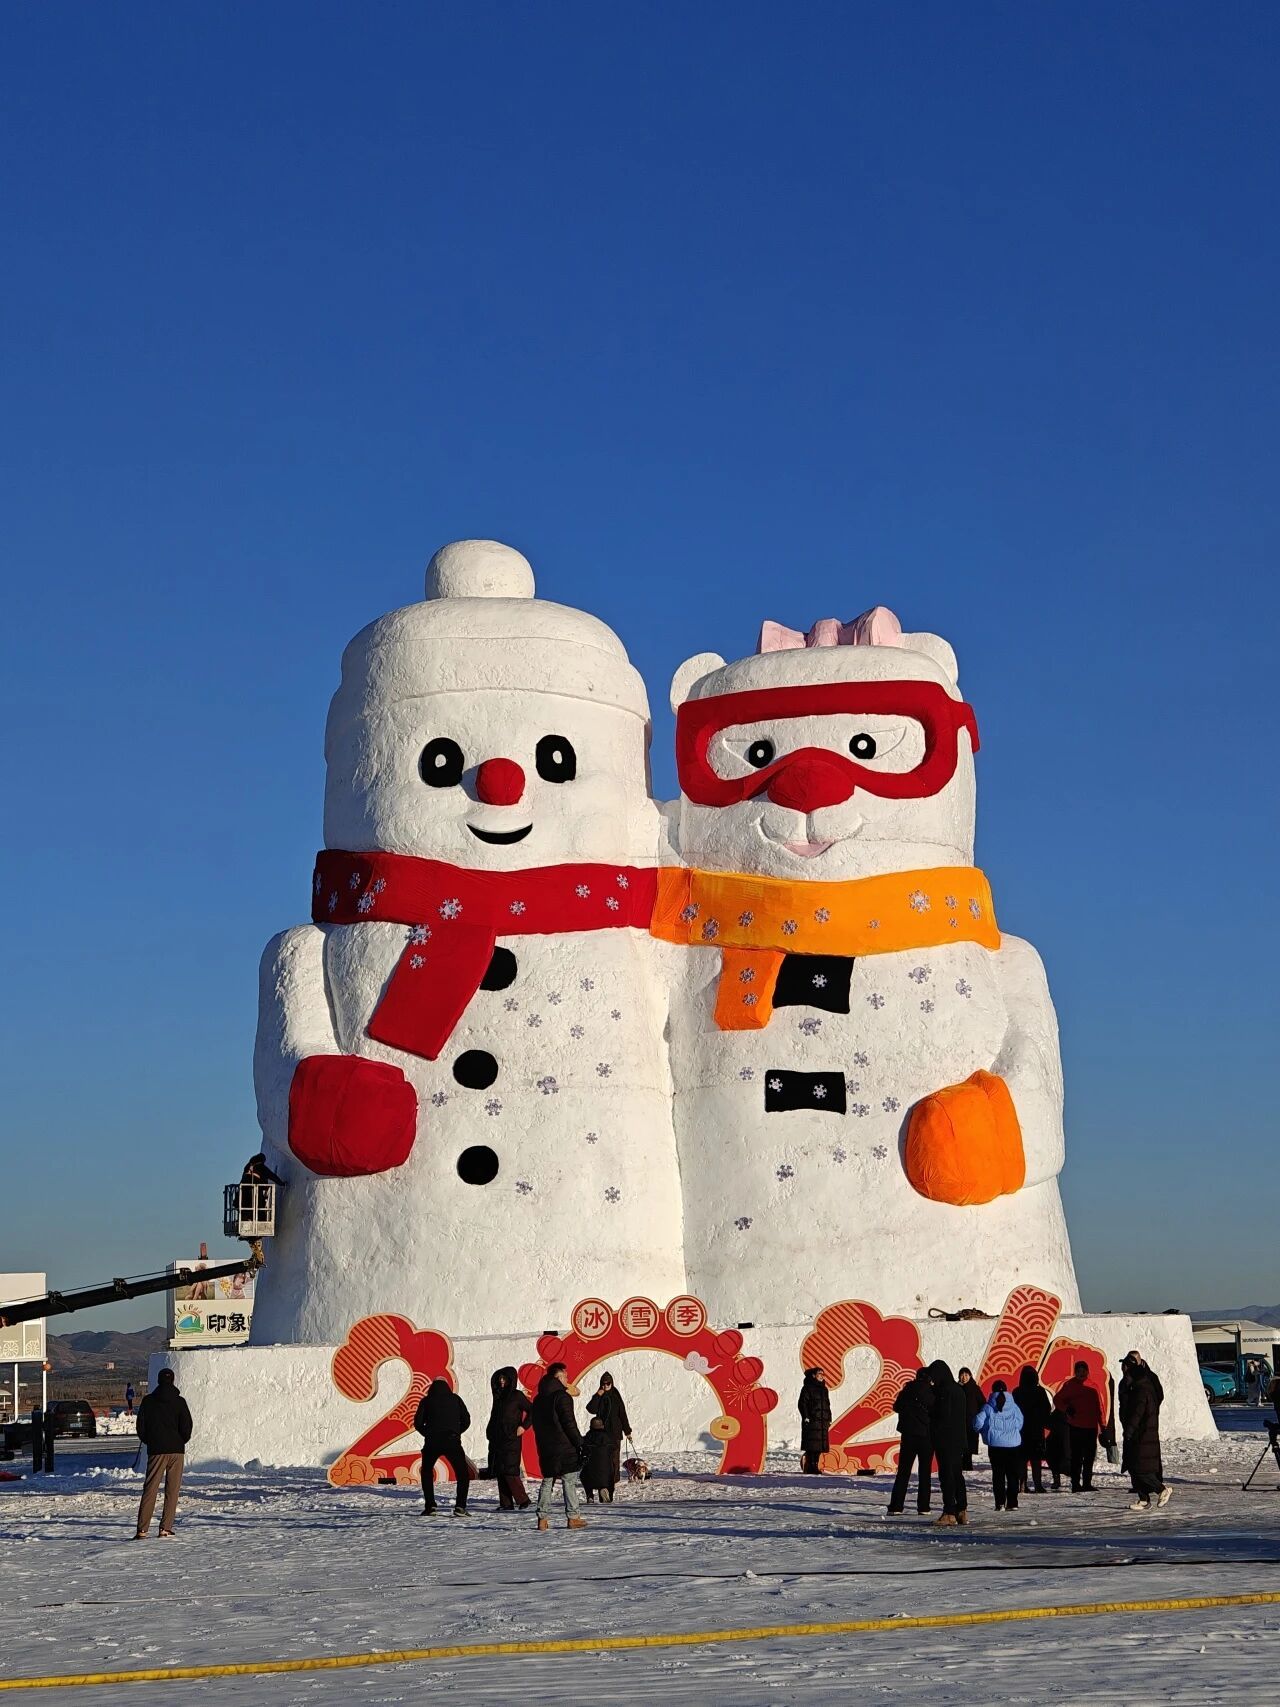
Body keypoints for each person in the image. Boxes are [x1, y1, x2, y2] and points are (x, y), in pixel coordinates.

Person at [133, 1368, 193, 1539]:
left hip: (156, 1450)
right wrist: (180, 1440)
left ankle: (142, 1529)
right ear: (173, 1380)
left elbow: (141, 1426)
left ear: (158, 1381)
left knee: (150, 1488)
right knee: (172, 1490)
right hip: (176, 1450)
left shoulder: (148, 1401)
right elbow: (187, 1426)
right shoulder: (180, 1401)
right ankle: (165, 1528)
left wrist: (150, 1441)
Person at [531, 1363, 587, 1530]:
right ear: (558, 1377)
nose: (567, 1379)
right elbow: (568, 1423)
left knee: (547, 1481)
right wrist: (580, 1442)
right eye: (565, 1376)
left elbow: (536, 1424)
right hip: (564, 1446)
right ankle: (573, 1517)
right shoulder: (562, 1397)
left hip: (545, 1446)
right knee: (568, 1481)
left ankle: (542, 1519)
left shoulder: (538, 1399)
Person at [1119, 1350, 1170, 1511]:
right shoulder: (1132, 1384)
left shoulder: (1143, 1387)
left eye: (1126, 1366)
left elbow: (1138, 1413)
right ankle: (1143, 1499)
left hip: (1142, 1432)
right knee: (1133, 1466)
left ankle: (1161, 1489)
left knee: (1140, 1467)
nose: (1123, 1369)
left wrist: (1130, 1429)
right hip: (1135, 1430)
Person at [413, 1378, 471, 1516]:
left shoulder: (426, 1401)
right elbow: (466, 1420)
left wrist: (428, 1433)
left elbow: (418, 1422)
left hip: (432, 1442)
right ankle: (460, 1506)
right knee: (462, 1473)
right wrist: (456, 1432)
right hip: (452, 1441)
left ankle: (430, 1506)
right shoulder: (455, 1399)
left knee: (427, 1472)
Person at [886, 1368, 934, 1515]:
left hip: (908, 1436)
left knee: (903, 1472)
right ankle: (924, 1507)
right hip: (926, 1436)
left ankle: (896, 1506)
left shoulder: (907, 1390)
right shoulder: (931, 1392)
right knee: (925, 1473)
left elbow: (896, 1407)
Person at [927, 1361, 969, 1527]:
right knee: (957, 1474)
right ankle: (962, 1510)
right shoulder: (958, 1390)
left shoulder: (944, 1392)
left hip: (945, 1439)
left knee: (947, 1476)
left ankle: (949, 1512)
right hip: (958, 1439)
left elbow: (942, 1415)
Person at [486, 1367, 531, 1512]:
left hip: (512, 1437)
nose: (501, 1381)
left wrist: (523, 1427)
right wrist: (489, 1431)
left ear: (510, 1379)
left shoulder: (517, 1396)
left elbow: (532, 1411)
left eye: (504, 1378)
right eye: (500, 1379)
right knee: (500, 1470)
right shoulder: (498, 1396)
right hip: (497, 1438)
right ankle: (506, 1503)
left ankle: (523, 1499)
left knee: (510, 1470)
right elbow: (494, 1416)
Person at [975, 1379, 1025, 1511]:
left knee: (998, 1475)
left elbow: (977, 1422)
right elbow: (1020, 1422)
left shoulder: (988, 1407)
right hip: (1013, 1445)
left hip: (995, 1446)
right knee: (1013, 1475)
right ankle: (1012, 1503)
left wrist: (984, 1431)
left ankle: (1000, 1503)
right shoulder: (1014, 1406)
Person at [1054, 1361, 1104, 1492]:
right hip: (1076, 1426)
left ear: (1088, 1372)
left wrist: (1103, 1424)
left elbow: (1100, 1407)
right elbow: (1057, 1399)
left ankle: (1087, 1483)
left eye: (1083, 1371)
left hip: (1091, 1426)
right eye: (1078, 1371)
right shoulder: (1069, 1385)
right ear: (1075, 1372)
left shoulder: (1093, 1386)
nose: (1081, 1374)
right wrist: (1066, 1408)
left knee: (1089, 1457)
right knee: (1076, 1457)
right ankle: (1075, 1483)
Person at [586, 1371, 633, 1489]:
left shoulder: (616, 1396)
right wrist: (597, 1395)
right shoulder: (599, 1396)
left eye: (608, 1383)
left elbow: (622, 1414)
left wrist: (627, 1431)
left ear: (612, 1383)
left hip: (615, 1432)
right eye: (603, 1383)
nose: (605, 1386)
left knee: (614, 1457)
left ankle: (614, 1479)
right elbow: (591, 1409)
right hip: (602, 1432)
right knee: (602, 1457)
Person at [238, 1152, 282, 1265]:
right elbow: (272, 1176)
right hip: (255, 1198)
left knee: (249, 1221)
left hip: (243, 1199)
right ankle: (255, 1242)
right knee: (260, 1220)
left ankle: (254, 1243)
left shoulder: (248, 1167)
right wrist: (282, 1183)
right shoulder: (260, 1167)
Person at [1013, 1365, 1052, 1493]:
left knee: (1021, 1459)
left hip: (1021, 1430)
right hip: (1036, 1430)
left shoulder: (1017, 1391)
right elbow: (1046, 1408)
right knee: (1036, 1459)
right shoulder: (1039, 1391)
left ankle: (1022, 1484)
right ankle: (1038, 1485)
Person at [797, 1366, 831, 1474]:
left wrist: (829, 1418)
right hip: (812, 1422)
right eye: (819, 1374)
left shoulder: (824, 1389)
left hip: (822, 1422)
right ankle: (810, 1466)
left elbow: (827, 1405)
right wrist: (806, 1416)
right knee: (812, 1447)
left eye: (822, 1374)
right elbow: (802, 1403)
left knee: (819, 1447)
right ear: (813, 1375)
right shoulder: (807, 1388)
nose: (821, 1376)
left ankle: (815, 1465)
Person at [580, 1417, 616, 1502]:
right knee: (610, 1474)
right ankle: (606, 1493)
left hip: (590, 1474)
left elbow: (583, 1451)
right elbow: (614, 1449)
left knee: (583, 1475)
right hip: (606, 1474)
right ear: (602, 1426)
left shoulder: (586, 1438)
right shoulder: (609, 1438)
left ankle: (590, 1495)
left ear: (590, 1427)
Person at [958, 1367, 984, 1470]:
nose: (964, 1377)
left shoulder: (975, 1388)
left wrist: (978, 1416)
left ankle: (968, 1465)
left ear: (970, 1376)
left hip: (971, 1421)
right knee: (959, 1444)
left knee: (969, 1444)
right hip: (959, 1421)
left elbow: (982, 1402)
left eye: (966, 1375)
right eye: (962, 1375)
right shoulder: (957, 1388)